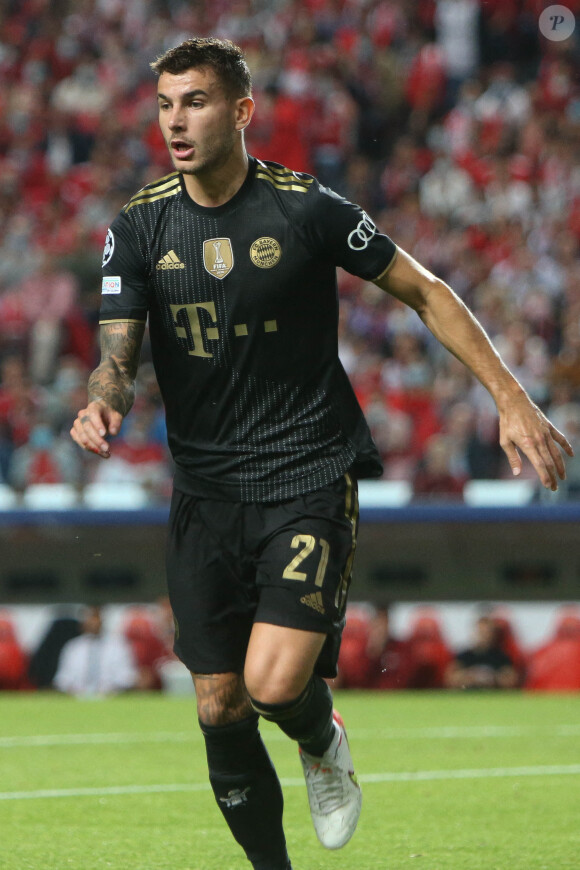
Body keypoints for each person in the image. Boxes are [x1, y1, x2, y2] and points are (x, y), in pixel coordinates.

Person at [70, 37, 572, 870]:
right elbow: (117, 355)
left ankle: (319, 733)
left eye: (194, 102)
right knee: (219, 705)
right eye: (164, 105)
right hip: (204, 493)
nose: (175, 122)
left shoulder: (306, 208)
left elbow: (425, 290)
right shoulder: (138, 226)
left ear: (241, 111)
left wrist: (510, 396)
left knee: (271, 686)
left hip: (305, 472)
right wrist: (101, 400)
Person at [53, 605, 139, 697]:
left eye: (95, 617)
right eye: (89, 617)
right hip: (77, 699)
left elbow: (127, 677)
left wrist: (111, 689)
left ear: (102, 620)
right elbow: (63, 679)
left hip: (111, 699)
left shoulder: (119, 646)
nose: (93, 622)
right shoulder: (73, 647)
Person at [444, 614, 519, 690]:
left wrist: (491, 678)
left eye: (487, 632)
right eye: (481, 632)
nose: (483, 636)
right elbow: (449, 680)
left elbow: (511, 681)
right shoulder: (463, 656)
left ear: (493, 634)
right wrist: (470, 676)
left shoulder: (501, 657)